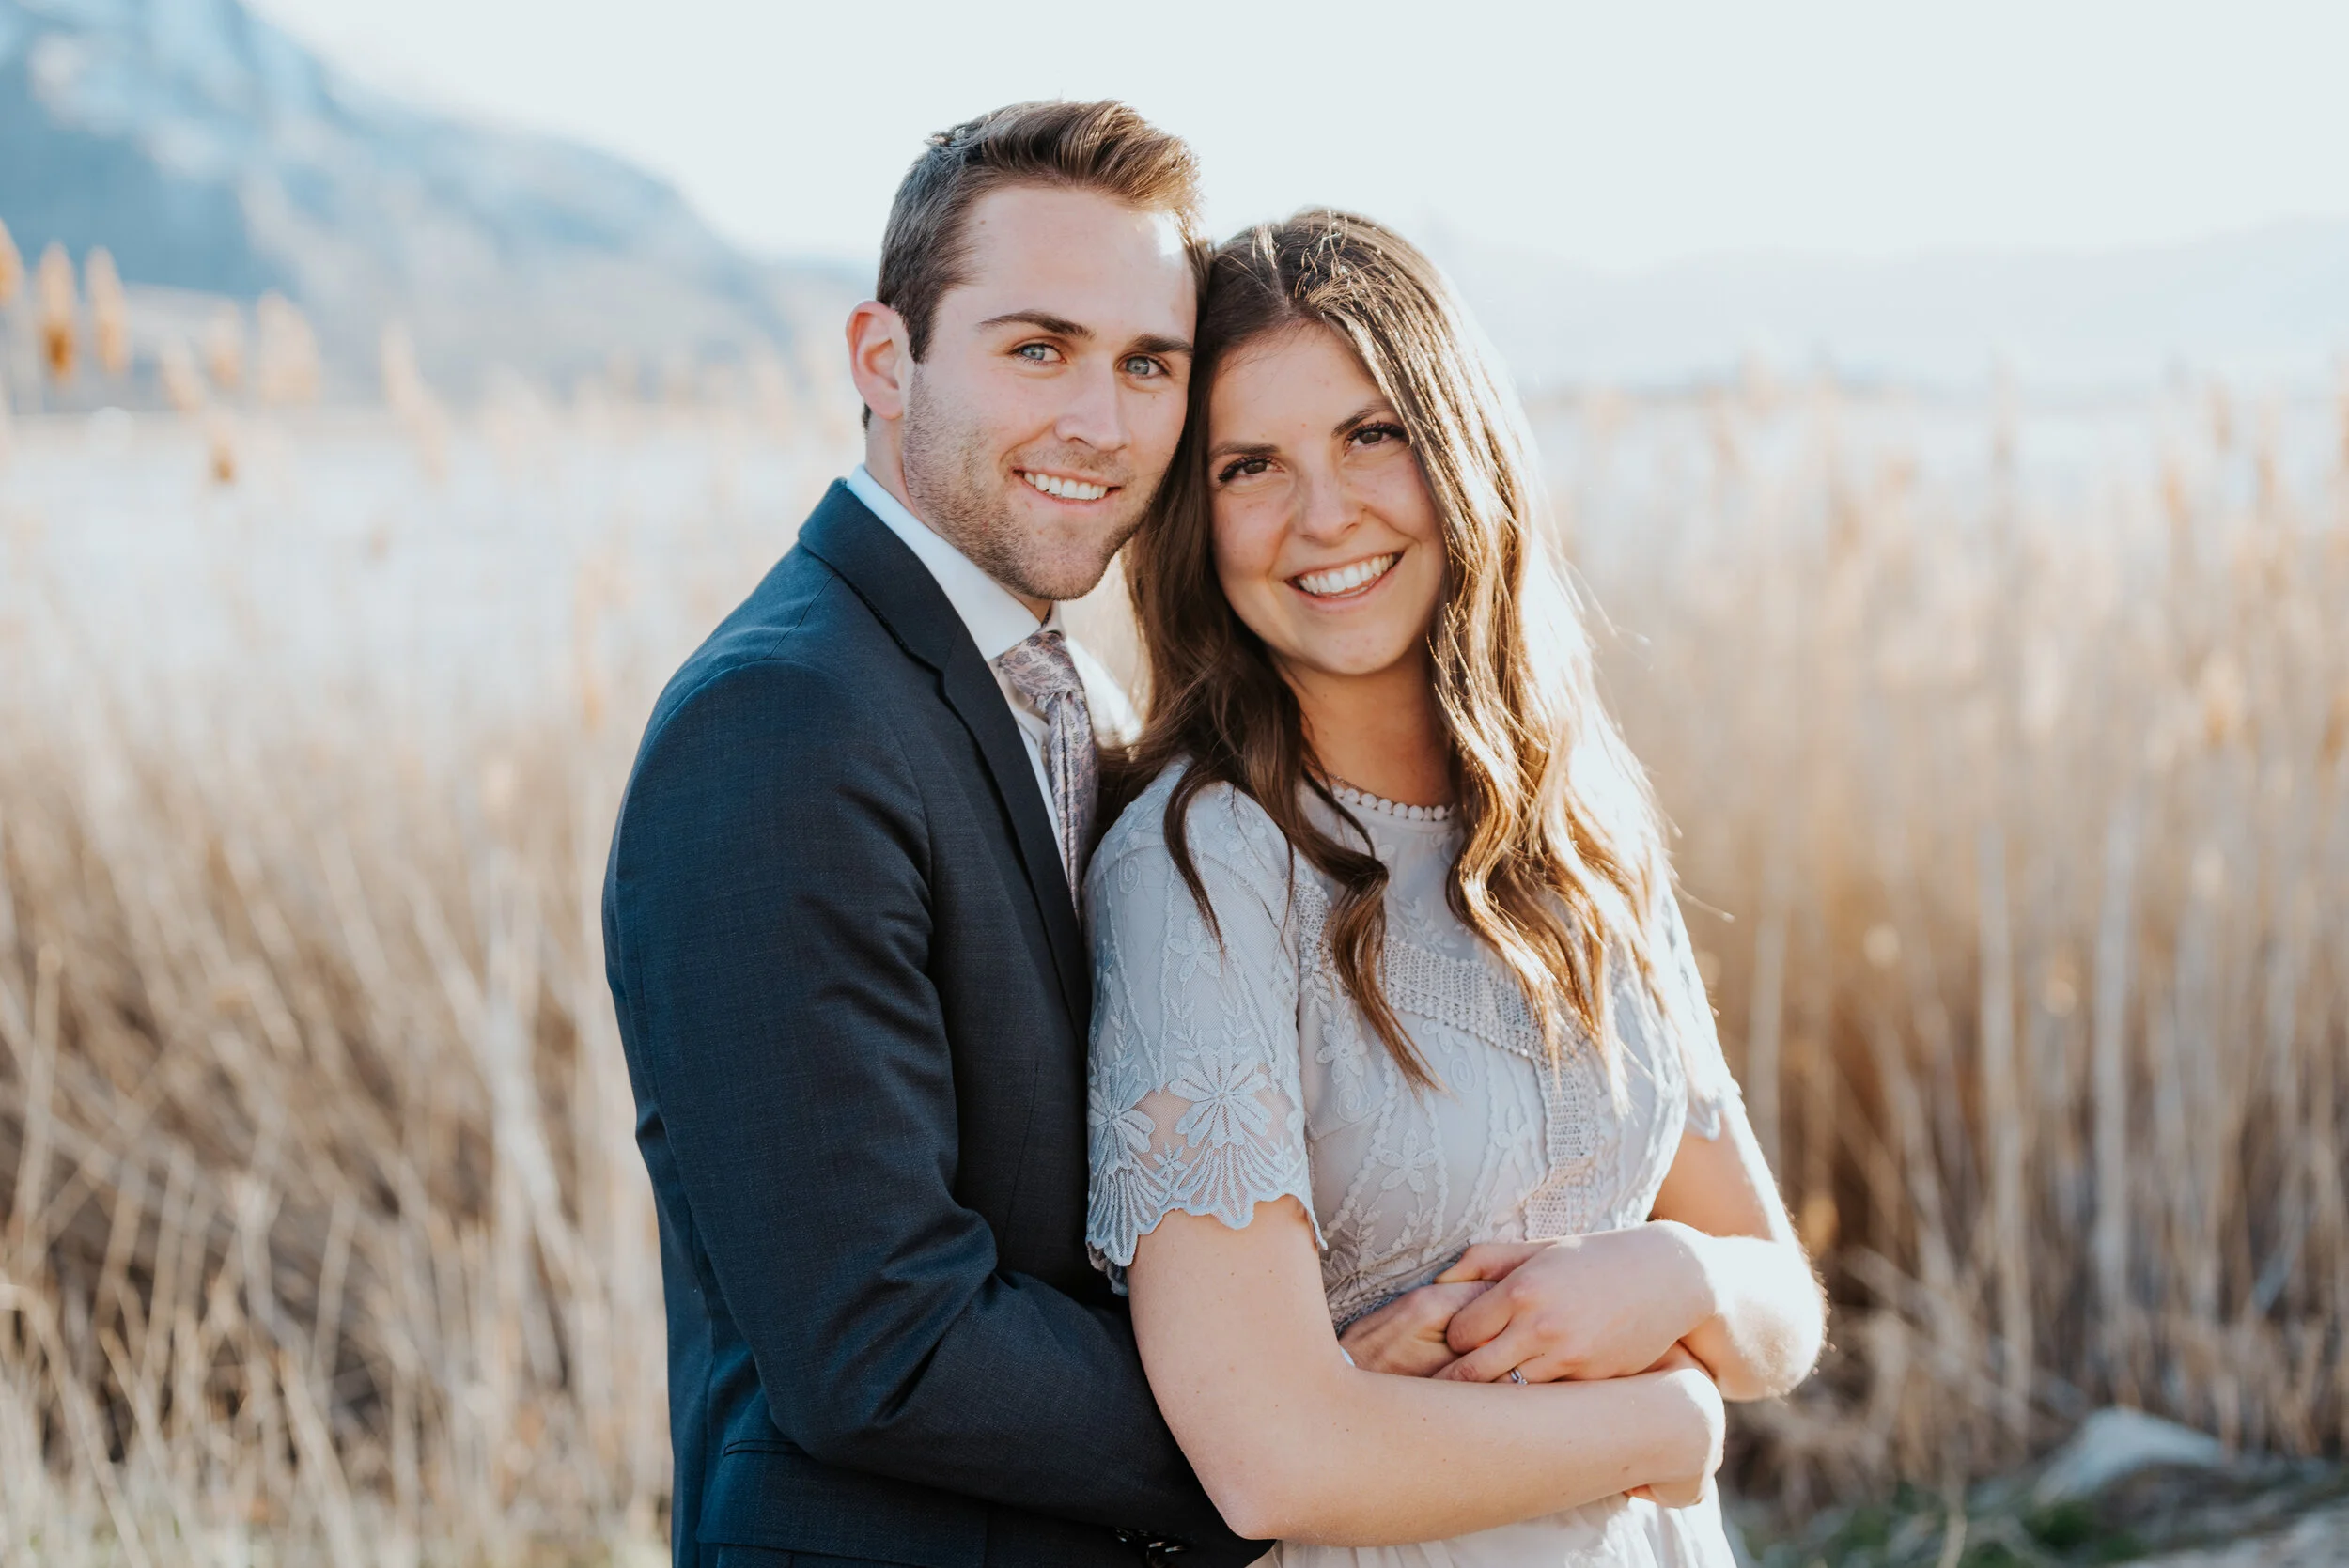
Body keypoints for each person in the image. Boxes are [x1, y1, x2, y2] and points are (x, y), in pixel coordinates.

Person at [1085, 210, 1827, 1563]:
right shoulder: (1201, 870)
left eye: (1372, 435)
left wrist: (1675, 1275)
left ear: (1459, 445)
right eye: (1251, 466)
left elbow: (1778, 1308)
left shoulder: (1579, 822)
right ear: (1194, 519)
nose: (1325, 516)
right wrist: (1660, 1424)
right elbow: (1270, 1462)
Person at [601, 101, 1262, 1567]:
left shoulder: (1067, 691)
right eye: (1038, 349)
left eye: (1147, 364)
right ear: (883, 360)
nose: (1101, 423)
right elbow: (880, 1337)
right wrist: (1289, 1427)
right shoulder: (779, 720)